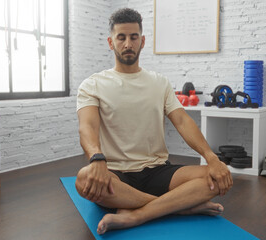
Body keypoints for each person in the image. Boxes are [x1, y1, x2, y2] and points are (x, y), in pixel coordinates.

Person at [75, 8, 233, 235]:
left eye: (133, 37)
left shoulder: (160, 83)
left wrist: (212, 158)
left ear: (143, 41)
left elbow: (182, 121)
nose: (128, 43)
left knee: (217, 177)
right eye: (121, 37)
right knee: (83, 179)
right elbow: (87, 126)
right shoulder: (92, 84)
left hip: (157, 171)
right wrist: (96, 158)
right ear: (111, 42)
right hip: (115, 173)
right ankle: (179, 207)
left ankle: (138, 213)